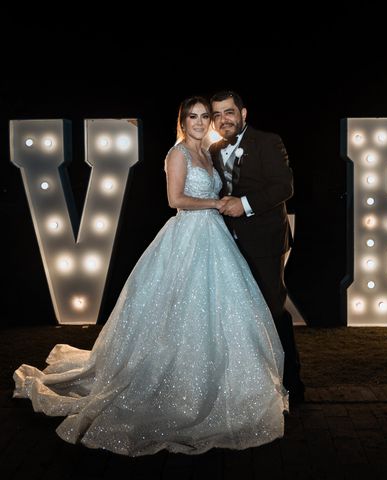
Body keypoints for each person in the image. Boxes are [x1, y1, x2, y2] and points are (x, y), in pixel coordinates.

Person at [13, 96, 288, 457]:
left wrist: (224, 205)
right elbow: (175, 199)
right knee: (177, 309)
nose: (201, 122)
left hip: (214, 236)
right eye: (194, 116)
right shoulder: (178, 154)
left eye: (206, 116)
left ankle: (226, 382)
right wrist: (216, 204)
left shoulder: (209, 152)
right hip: (189, 234)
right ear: (182, 120)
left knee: (220, 312)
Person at [208, 90, 305, 402]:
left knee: (273, 310)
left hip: (264, 240)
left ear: (243, 113)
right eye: (218, 115)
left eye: (229, 112)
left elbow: (284, 186)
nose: (224, 119)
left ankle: (292, 385)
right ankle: (249, 385)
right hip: (225, 244)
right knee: (235, 315)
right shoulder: (212, 150)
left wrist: (244, 204)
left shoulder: (268, 141)